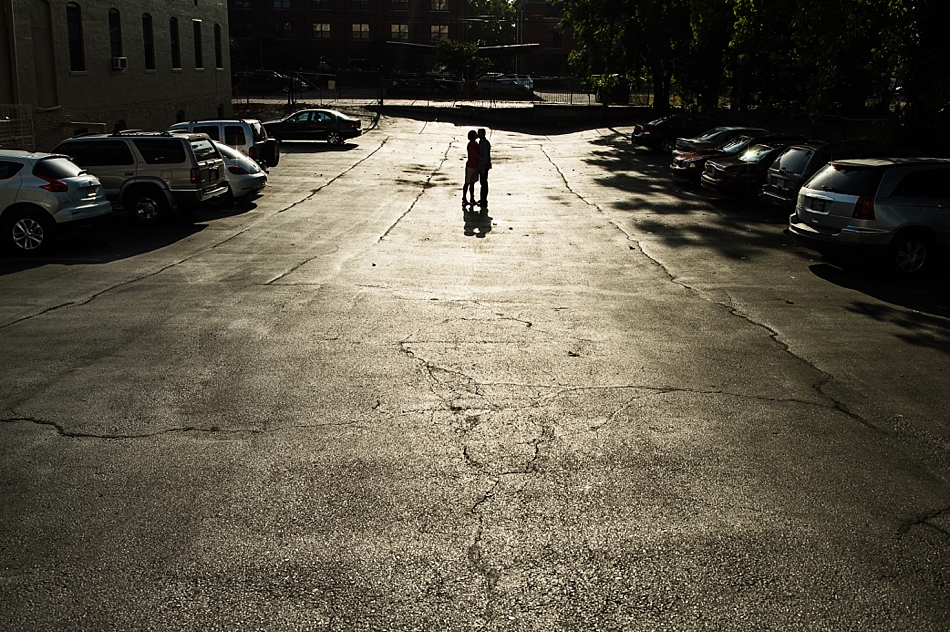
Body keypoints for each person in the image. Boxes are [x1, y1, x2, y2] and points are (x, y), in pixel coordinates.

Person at [463, 130, 479, 208]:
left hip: (474, 165)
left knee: (472, 183)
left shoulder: (475, 143)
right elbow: (474, 154)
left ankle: (472, 198)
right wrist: (481, 158)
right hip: (471, 165)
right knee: (467, 182)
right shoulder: (471, 144)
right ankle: (464, 198)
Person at [477, 128, 491, 211]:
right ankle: (482, 199)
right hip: (482, 165)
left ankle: (484, 200)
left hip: (483, 166)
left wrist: (483, 167)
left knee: (484, 183)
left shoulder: (485, 143)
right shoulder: (481, 142)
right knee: (483, 183)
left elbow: (486, 156)